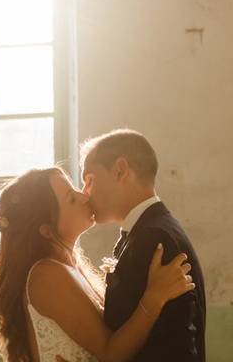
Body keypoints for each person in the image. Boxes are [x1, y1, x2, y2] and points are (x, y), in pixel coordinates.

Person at [0, 166, 195, 362]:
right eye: (71, 199)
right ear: (47, 231)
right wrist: (154, 297)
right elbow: (110, 353)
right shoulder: (47, 274)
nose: (83, 196)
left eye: (75, 189)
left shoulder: (69, 266)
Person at [81, 130, 206, 362]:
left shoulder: (155, 237)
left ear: (120, 170)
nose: (85, 193)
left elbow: (175, 345)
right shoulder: (146, 231)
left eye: (89, 180)